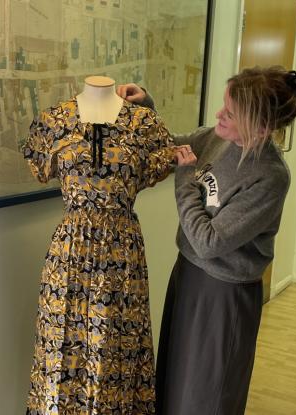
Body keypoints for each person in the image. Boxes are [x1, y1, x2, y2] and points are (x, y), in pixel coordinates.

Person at [116, 66, 296, 415]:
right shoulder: (218, 138)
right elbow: (170, 145)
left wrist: (184, 181)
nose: (219, 114)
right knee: (174, 384)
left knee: (207, 396)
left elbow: (209, 242)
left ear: (261, 127)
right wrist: (146, 106)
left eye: (231, 113)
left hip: (224, 296)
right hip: (188, 276)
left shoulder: (269, 176)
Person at [21, 76, 175, 414]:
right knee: (63, 344)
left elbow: (163, 159)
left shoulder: (144, 124)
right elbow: (40, 166)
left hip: (123, 253)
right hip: (69, 253)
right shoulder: (53, 122)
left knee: (116, 345)